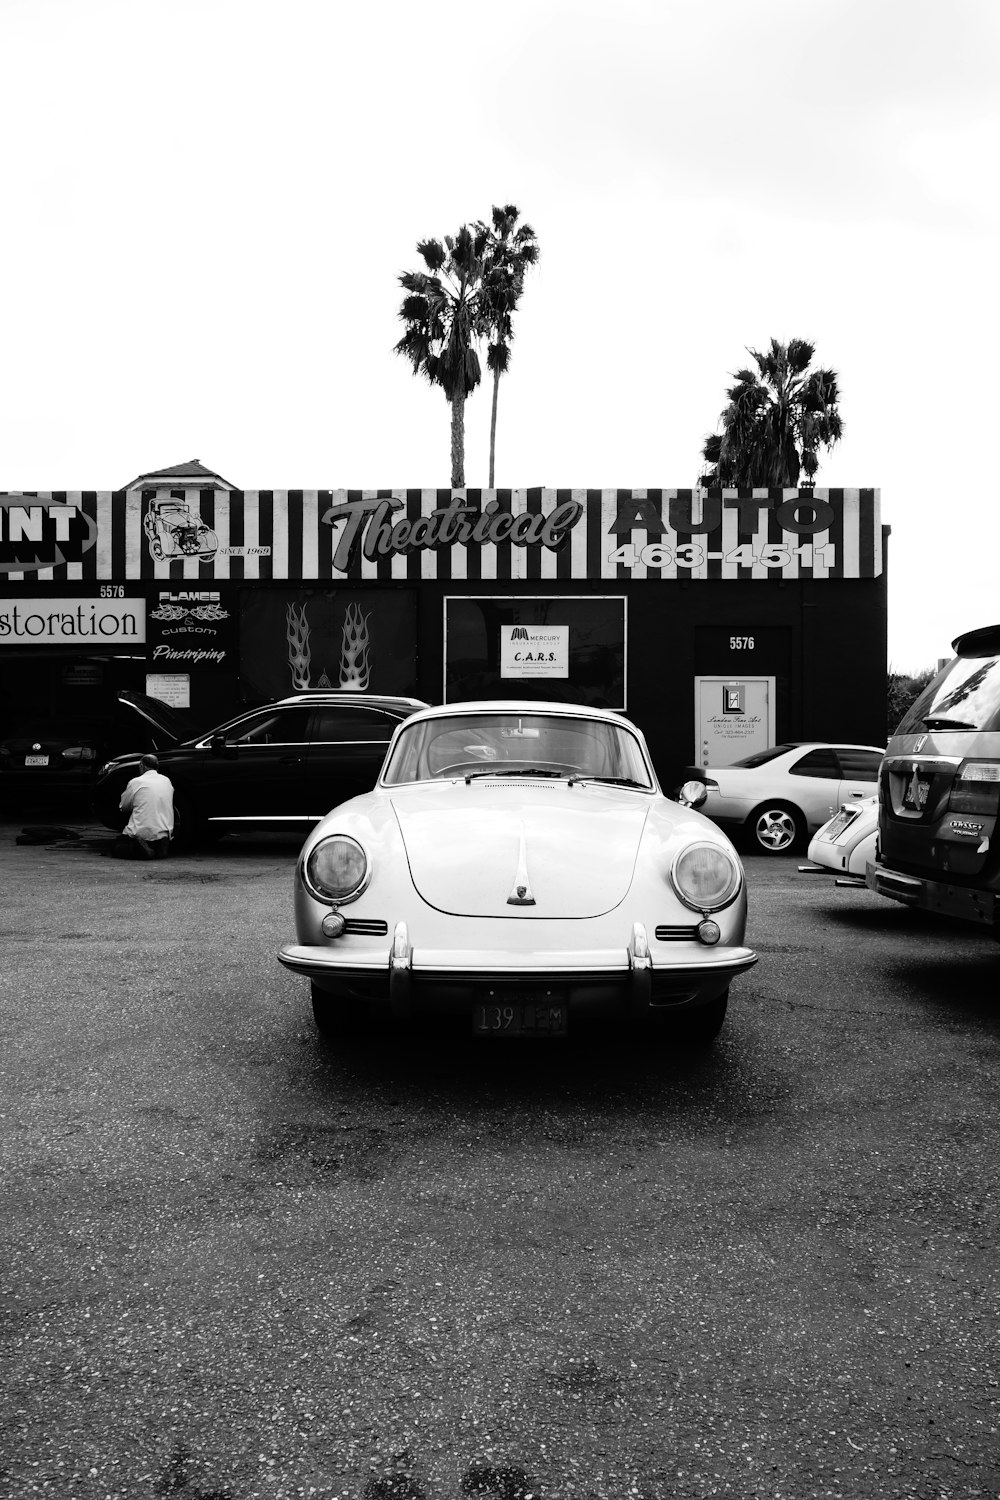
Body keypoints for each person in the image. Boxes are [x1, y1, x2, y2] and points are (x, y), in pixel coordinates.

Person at [113, 753, 175, 859]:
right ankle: (162, 841)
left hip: (142, 833)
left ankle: (142, 845)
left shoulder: (136, 782)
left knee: (117, 848)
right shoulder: (166, 781)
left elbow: (124, 807)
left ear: (142, 766)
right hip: (164, 830)